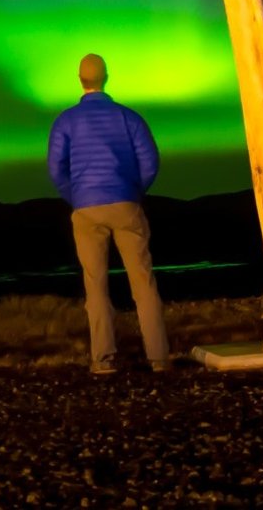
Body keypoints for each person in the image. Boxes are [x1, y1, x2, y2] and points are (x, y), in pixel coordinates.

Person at [47, 53, 170, 374]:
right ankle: (158, 357)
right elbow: (150, 161)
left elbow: (56, 168)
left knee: (96, 285)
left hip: (86, 209)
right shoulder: (129, 118)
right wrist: (132, 192)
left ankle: (103, 359)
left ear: (80, 80)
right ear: (107, 77)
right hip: (126, 204)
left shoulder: (65, 121)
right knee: (143, 282)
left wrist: (77, 196)